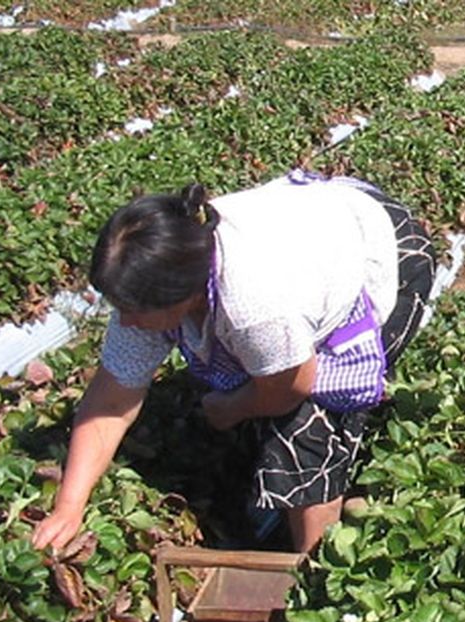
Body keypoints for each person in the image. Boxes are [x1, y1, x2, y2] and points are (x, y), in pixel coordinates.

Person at [30, 170, 434, 555]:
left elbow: (292, 386)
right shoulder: (153, 281)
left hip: (383, 250)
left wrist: (231, 407)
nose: (126, 321)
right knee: (253, 389)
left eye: (134, 311)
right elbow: (110, 403)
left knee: (306, 426)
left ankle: (320, 570)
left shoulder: (254, 307)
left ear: (183, 296)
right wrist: (69, 505)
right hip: (318, 241)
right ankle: (263, 508)